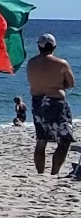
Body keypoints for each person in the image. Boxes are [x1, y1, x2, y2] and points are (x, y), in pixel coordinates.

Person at [27, 34, 75, 176]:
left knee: (42, 139)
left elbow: (33, 81)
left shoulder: (31, 63)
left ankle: (40, 173)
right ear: (54, 46)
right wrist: (57, 85)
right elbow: (71, 83)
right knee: (64, 140)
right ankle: (54, 173)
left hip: (37, 102)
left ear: (38, 46)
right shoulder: (61, 63)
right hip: (55, 103)